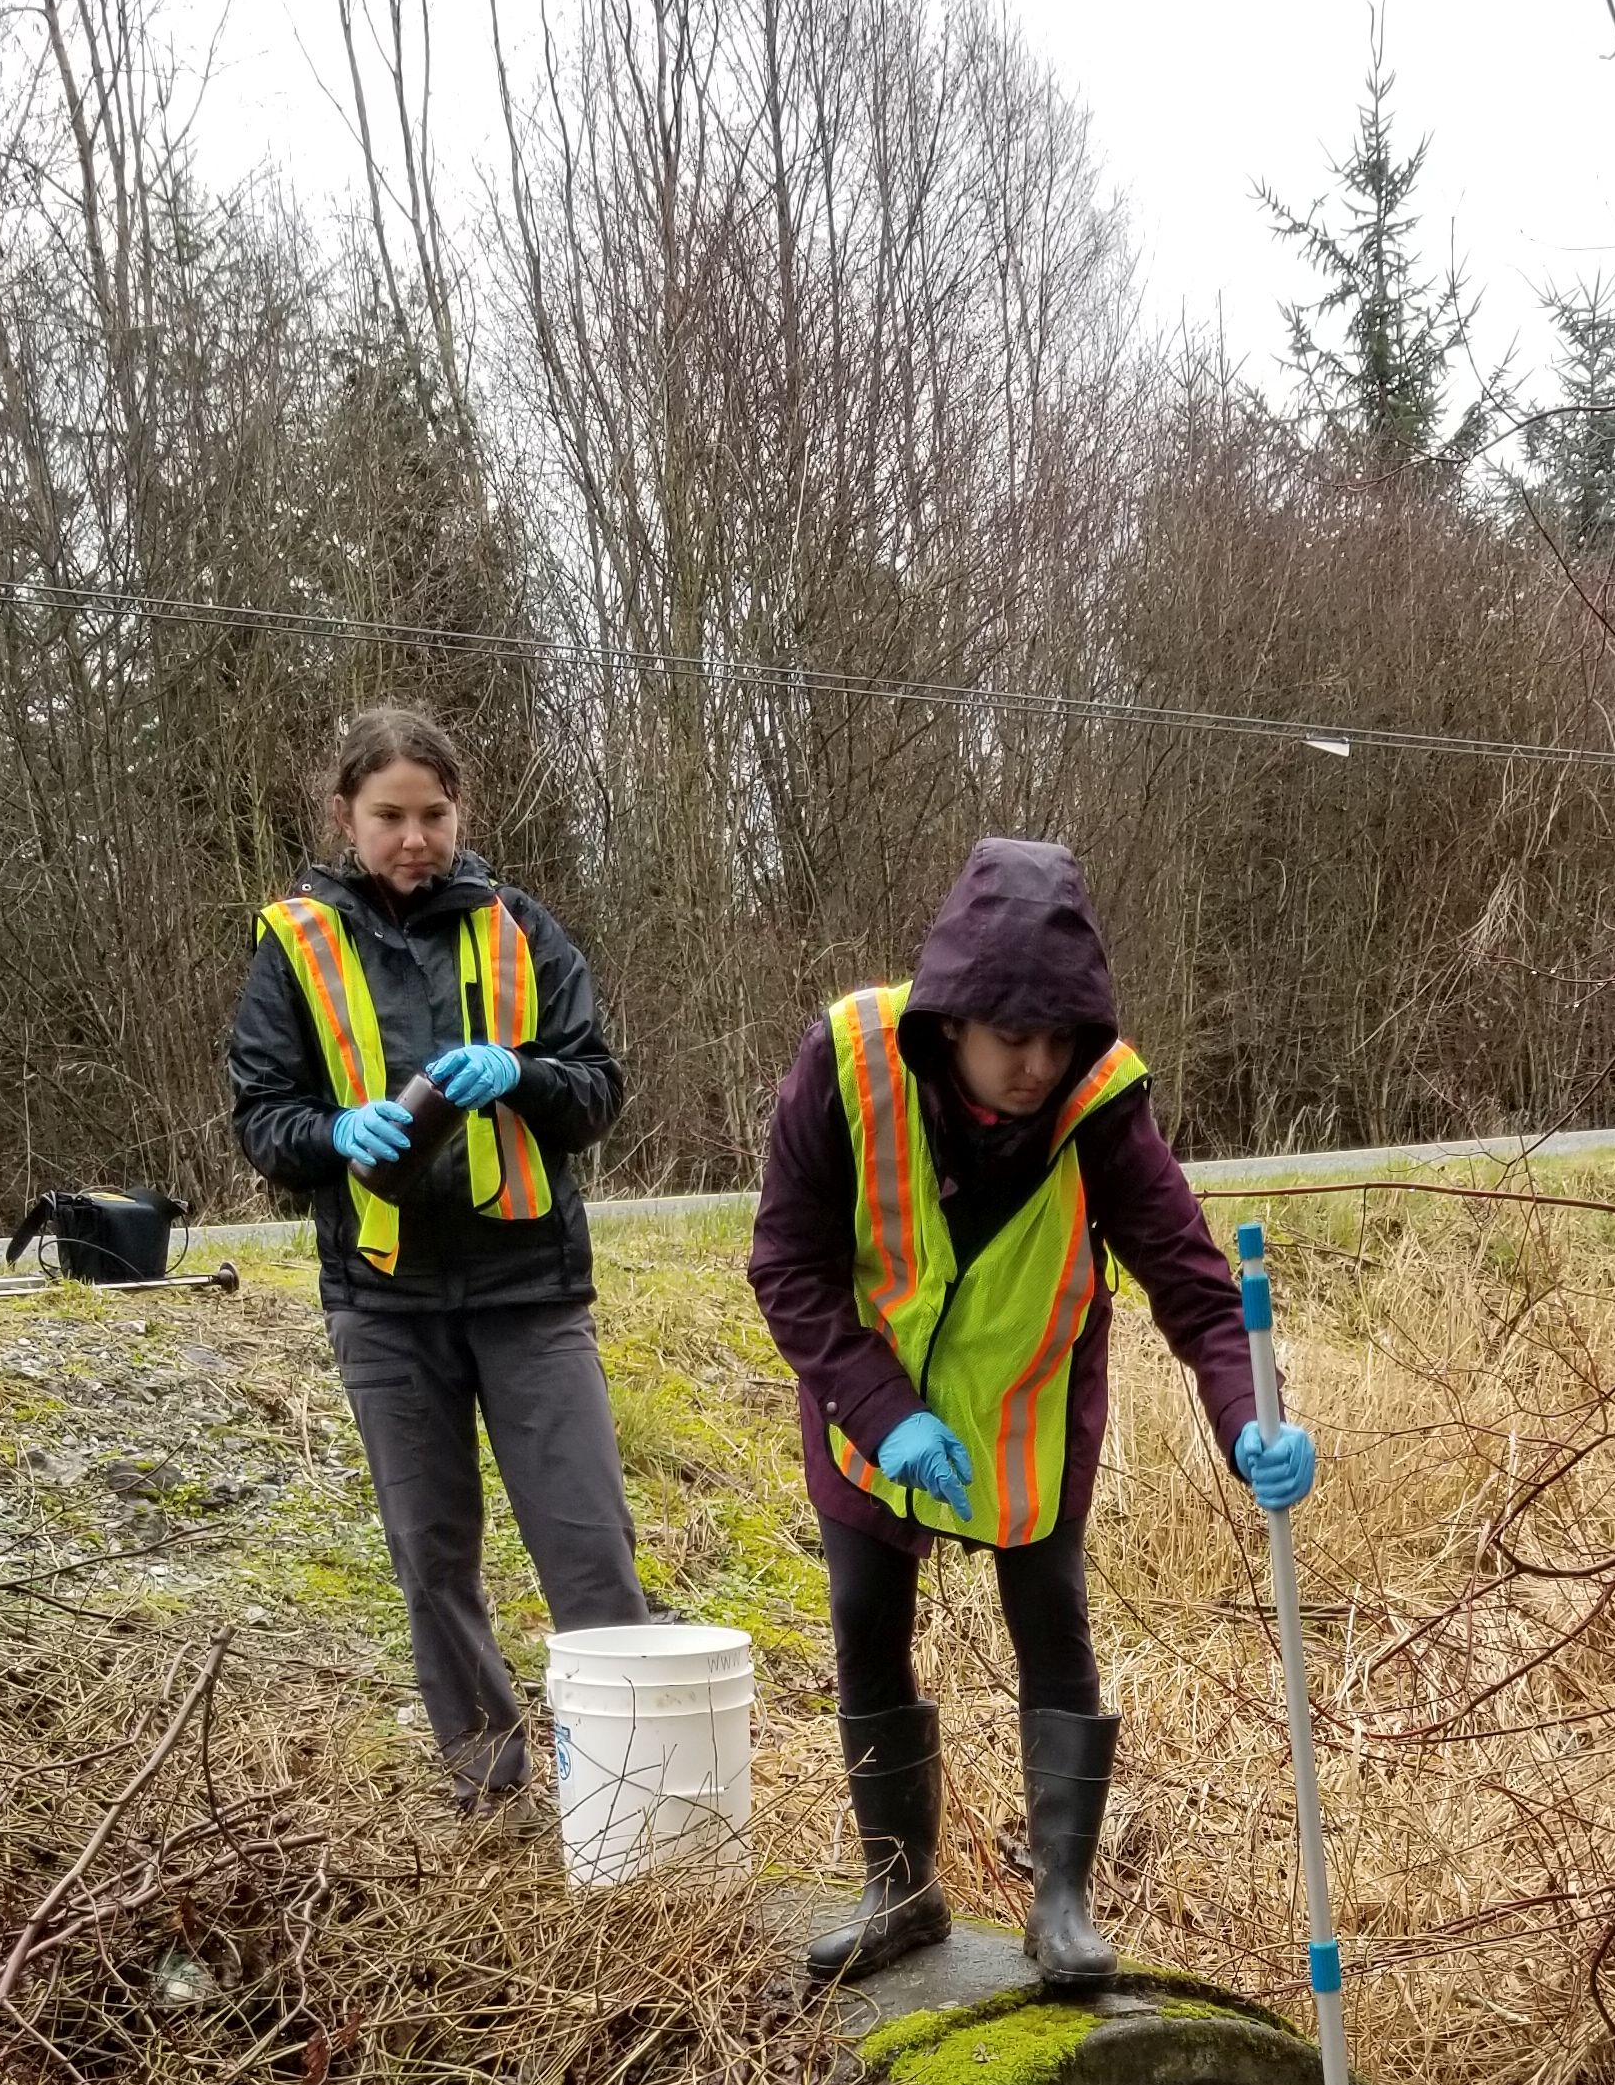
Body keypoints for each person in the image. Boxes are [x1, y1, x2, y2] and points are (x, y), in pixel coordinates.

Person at [749, 836, 1316, 1988]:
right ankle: (898, 1891)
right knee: (865, 1621)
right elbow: (787, 1265)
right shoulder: (848, 1061)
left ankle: (1061, 1907)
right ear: (951, 1019)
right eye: (1014, 1039)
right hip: (874, 1413)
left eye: (1061, 1040)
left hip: (1030, 1412)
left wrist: (1251, 1412)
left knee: (1051, 1625)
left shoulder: (1101, 1103)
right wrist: (881, 1408)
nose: (1038, 1065)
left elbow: (1194, 1284)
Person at [230, 704, 652, 1810]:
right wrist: (333, 1134)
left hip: (532, 1294)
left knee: (588, 1546)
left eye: (434, 813)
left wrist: (524, 1074)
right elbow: (265, 1118)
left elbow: (597, 1088)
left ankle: (631, 1785)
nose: (414, 838)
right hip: (384, 1304)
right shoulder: (294, 943)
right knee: (433, 1555)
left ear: (461, 811)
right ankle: (490, 1791)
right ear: (344, 816)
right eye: (389, 816)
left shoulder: (523, 930)